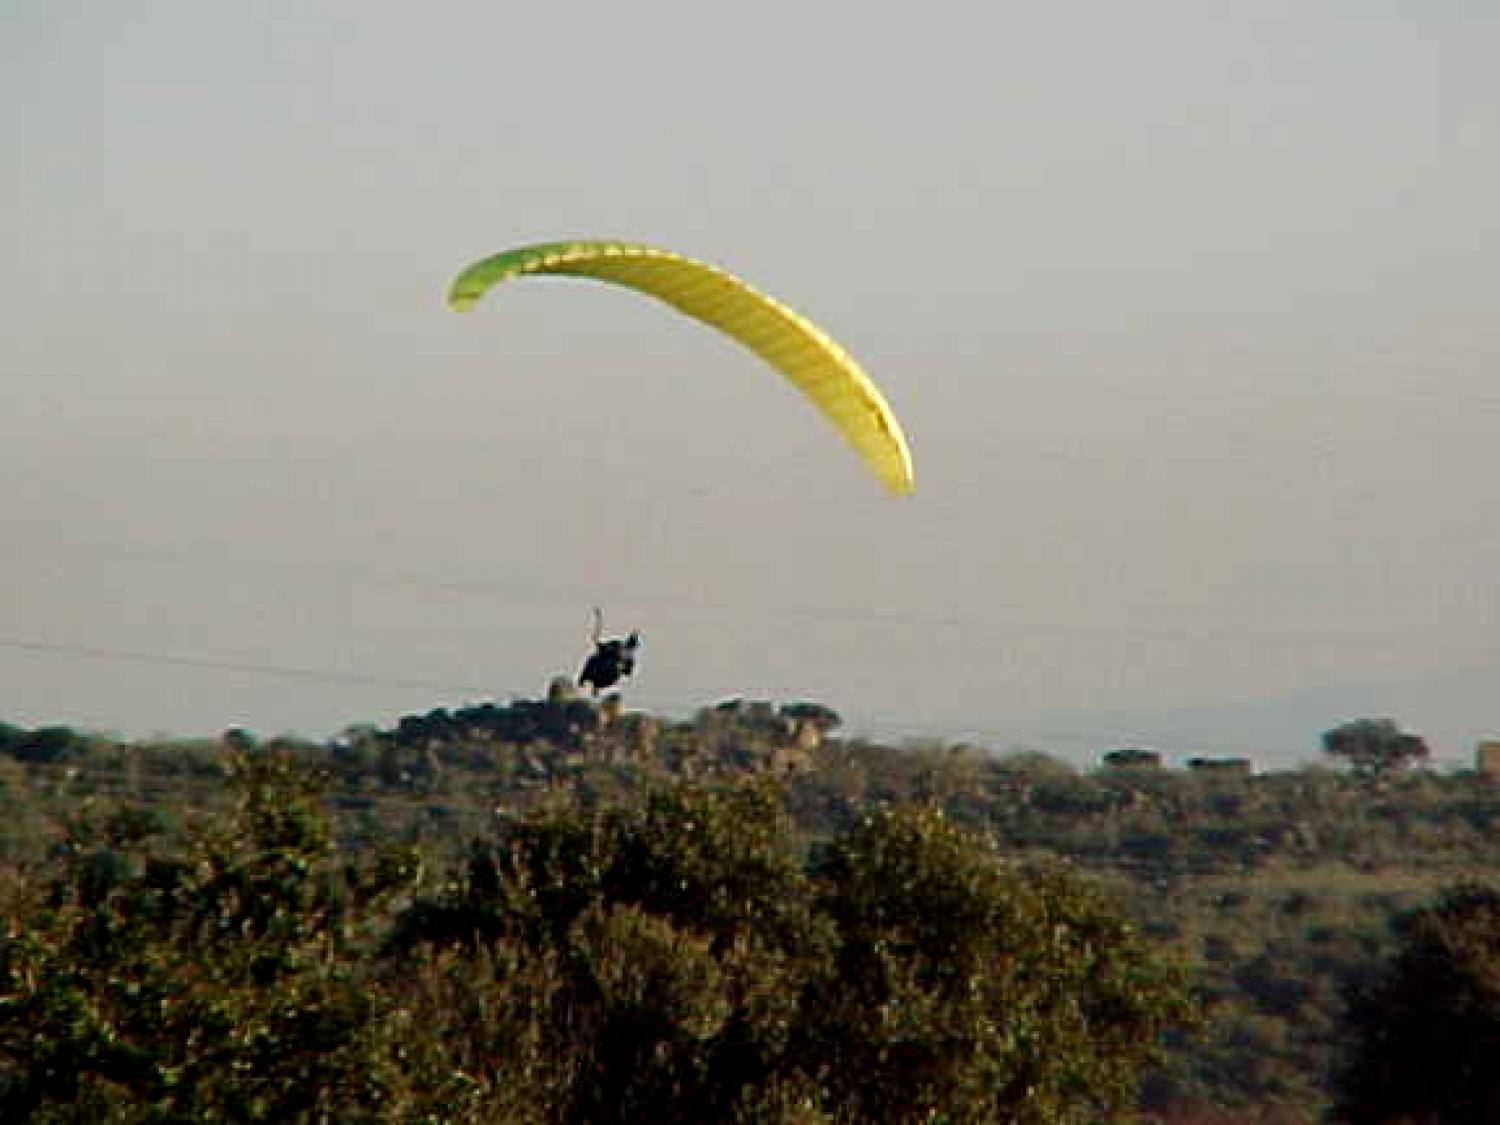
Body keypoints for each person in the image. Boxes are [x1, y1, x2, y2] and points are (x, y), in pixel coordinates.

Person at [578, 608, 640, 695]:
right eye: (626, 650)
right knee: (593, 658)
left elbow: (627, 674)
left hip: (607, 678)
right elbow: (597, 643)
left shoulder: (630, 661)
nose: (626, 653)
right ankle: (583, 681)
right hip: (598, 669)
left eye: (629, 651)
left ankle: (595, 685)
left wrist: (622, 669)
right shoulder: (615, 645)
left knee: (611, 668)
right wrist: (598, 621)